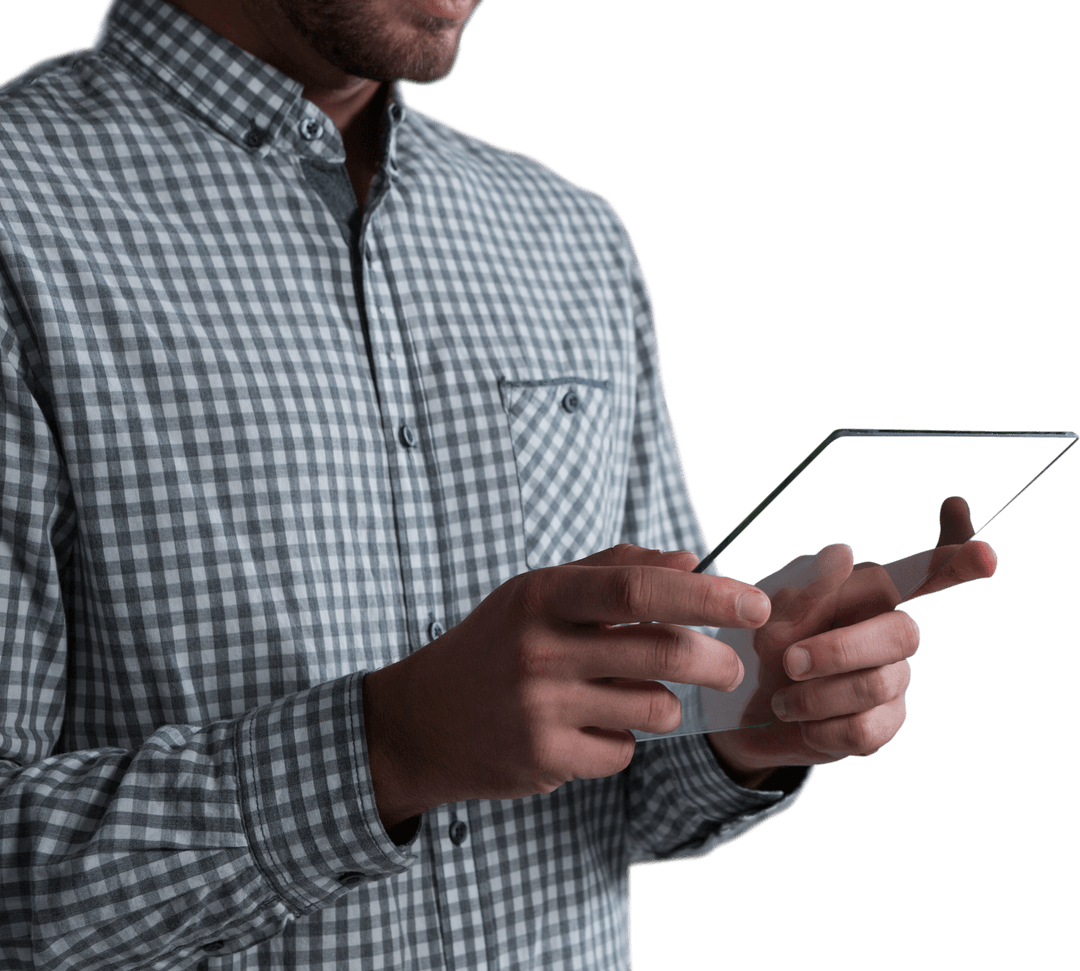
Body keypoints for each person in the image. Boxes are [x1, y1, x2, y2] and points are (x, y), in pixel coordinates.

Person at [0, 1, 996, 968]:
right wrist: (383, 749)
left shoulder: (569, 236)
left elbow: (618, 797)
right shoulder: (18, 215)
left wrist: (745, 720)